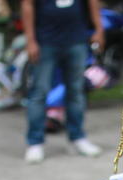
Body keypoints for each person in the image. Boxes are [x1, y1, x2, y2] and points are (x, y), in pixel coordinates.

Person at [21, 0, 104, 163]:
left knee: (76, 92)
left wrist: (99, 29)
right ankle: (35, 142)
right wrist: (30, 40)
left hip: (76, 40)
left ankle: (77, 137)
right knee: (39, 92)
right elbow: (27, 4)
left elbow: (93, 2)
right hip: (45, 41)